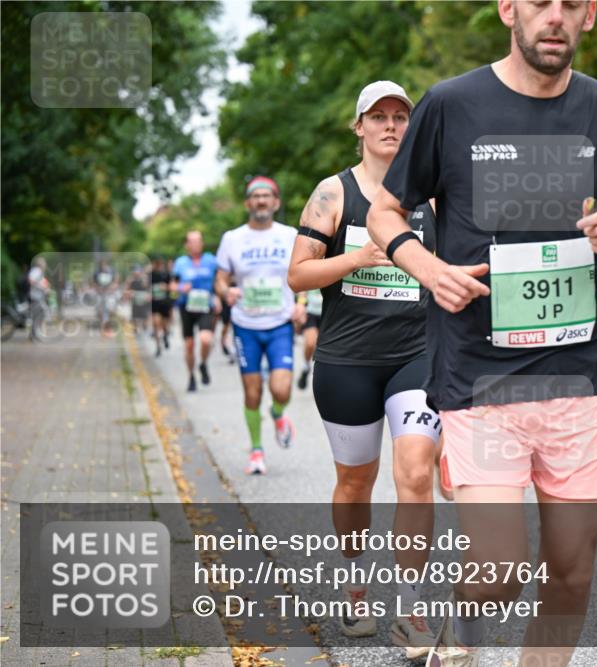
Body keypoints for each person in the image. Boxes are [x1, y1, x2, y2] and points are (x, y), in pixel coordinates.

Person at [367, 2, 597, 665]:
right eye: (538, 3)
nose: (553, 17)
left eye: (569, 4)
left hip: (577, 378)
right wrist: (429, 268)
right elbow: (387, 211)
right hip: (480, 375)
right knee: (498, 571)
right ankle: (452, 633)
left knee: (572, 572)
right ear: (508, 10)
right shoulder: (450, 104)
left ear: (589, 16)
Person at [288, 80, 440, 659]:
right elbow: (298, 276)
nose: (391, 126)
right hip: (347, 360)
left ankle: (410, 608)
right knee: (355, 483)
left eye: (401, 116)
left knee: (416, 473)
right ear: (358, 127)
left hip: (415, 355)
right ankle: (355, 584)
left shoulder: (431, 196)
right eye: (379, 116)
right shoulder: (333, 193)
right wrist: (356, 257)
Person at [216, 176, 305, 475]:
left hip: (279, 322)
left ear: (276, 202)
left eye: (267, 196)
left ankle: (278, 413)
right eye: (256, 196)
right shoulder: (232, 239)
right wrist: (225, 291)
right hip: (245, 324)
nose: (262, 201)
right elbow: (220, 279)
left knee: (281, 389)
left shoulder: (290, 235)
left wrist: (301, 304)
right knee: (252, 392)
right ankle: (256, 450)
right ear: (248, 203)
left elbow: (303, 272)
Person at [173, 230, 220, 392]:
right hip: (186, 306)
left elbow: (220, 280)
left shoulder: (211, 261)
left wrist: (218, 297)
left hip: (205, 306)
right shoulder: (180, 263)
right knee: (189, 345)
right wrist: (180, 288)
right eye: (192, 241)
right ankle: (191, 376)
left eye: (198, 240)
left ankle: (203, 364)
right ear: (187, 245)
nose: (196, 244)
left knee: (206, 339)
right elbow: (172, 285)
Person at [296, 289, 321, 389]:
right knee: (311, 343)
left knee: (322, 347)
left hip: (328, 312)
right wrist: (301, 304)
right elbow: (303, 289)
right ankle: (306, 367)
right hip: (311, 312)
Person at [149, 256, 174, 356]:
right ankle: (158, 347)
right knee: (155, 323)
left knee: (164, 324)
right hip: (155, 303)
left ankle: (165, 335)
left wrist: (166, 287)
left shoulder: (166, 274)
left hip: (165, 303)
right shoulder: (150, 275)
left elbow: (173, 287)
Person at [126, 265, 152, 336]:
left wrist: (148, 295)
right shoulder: (131, 280)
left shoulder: (144, 279)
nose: (136, 273)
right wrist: (129, 294)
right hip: (135, 300)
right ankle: (135, 328)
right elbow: (127, 291)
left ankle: (145, 327)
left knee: (145, 315)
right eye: (135, 272)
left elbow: (148, 289)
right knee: (134, 315)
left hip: (144, 299)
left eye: (138, 272)